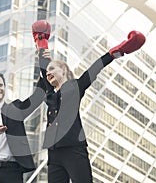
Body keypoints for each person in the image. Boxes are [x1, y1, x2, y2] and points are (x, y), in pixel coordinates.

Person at [32, 20, 146, 183]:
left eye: (53, 69)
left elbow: (94, 69)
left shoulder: (76, 87)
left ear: (64, 70)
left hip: (73, 149)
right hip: (54, 152)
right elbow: (43, 71)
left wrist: (117, 51)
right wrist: (41, 43)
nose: (48, 74)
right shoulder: (50, 95)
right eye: (48, 72)